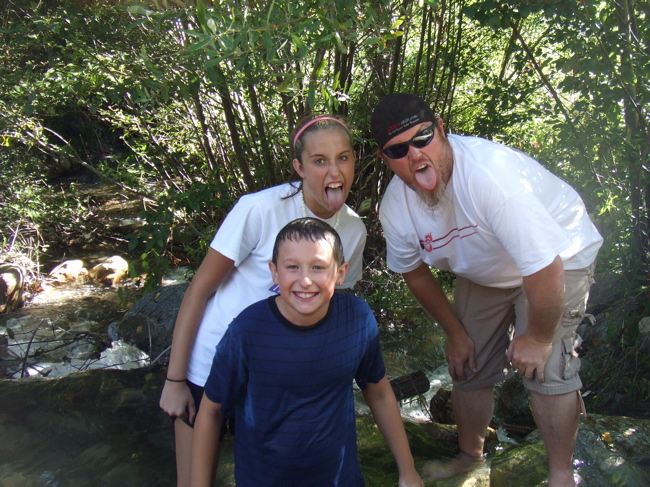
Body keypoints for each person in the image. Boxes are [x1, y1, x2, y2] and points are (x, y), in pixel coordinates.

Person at [371, 93, 603, 487]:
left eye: (423, 137)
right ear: (385, 159)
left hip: (560, 255)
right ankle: (469, 457)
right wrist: (455, 333)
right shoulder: (395, 207)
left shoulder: (489, 176)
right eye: (398, 149)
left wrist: (540, 338)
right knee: (466, 361)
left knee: (545, 367)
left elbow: (545, 266)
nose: (414, 154)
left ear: (441, 130)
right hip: (490, 270)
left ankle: (562, 475)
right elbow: (414, 272)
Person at [159, 115, 367, 487]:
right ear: (299, 168)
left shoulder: (353, 229)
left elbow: (332, 311)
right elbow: (199, 289)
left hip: (273, 374)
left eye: (344, 157)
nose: (334, 170)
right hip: (209, 365)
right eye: (320, 160)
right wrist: (175, 379)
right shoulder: (259, 209)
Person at [191, 218, 424, 487]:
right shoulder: (247, 331)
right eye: (292, 267)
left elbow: (380, 393)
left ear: (340, 272)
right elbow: (211, 412)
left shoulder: (357, 319)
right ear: (275, 272)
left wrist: (408, 471)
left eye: (318, 267)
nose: (305, 280)